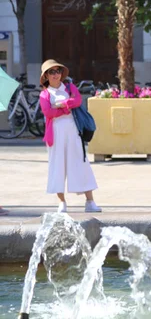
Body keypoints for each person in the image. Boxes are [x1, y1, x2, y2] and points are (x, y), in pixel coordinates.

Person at [39, 59, 102, 213]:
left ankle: (90, 201)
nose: (55, 74)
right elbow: (48, 112)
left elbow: (78, 100)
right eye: (51, 72)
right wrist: (66, 108)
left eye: (58, 71)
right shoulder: (45, 94)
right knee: (57, 167)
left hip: (74, 132)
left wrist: (61, 105)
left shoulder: (69, 86)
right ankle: (62, 202)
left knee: (81, 164)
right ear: (46, 76)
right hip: (55, 135)